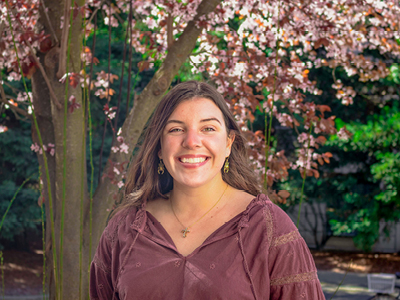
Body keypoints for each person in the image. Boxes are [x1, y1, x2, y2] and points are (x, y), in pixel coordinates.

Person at [90, 81, 325, 300]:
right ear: (159, 147)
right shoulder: (123, 230)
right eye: (176, 130)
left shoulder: (269, 229)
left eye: (208, 128)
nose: (192, 141)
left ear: (229, 144)